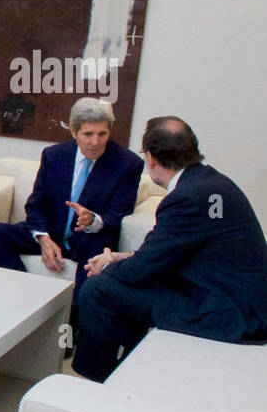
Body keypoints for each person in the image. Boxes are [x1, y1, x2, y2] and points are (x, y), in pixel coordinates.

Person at [72, 117, 267, 382]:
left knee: (98, 288)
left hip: (227, 313)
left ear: (150, 158)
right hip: (237, 299)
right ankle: (128, 370)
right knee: (124, 284)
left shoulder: (187, 198)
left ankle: (97, 382)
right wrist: (120, 257)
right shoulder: (211, 184)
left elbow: (139, 272)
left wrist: (107, 265)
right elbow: (167, 252)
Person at [0, 97, 143, 309]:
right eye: (88, 134)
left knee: (94, 251)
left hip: (90, 238)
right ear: (74, 132)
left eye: (102, 134)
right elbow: (35, 205)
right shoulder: (54, 156)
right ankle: (22, 301)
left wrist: (93, 220)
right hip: (52, 233)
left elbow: (119, 215)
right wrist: (43, 238)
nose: (96, 142)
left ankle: (72, 327)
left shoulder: (128, 164)